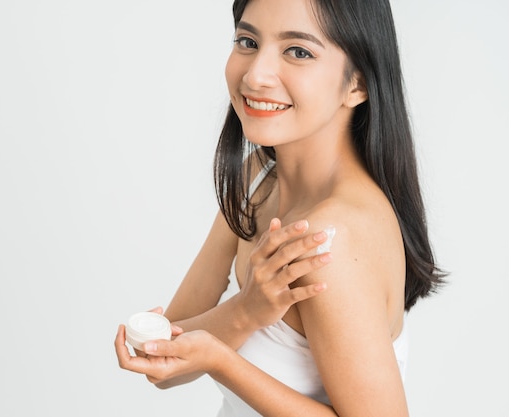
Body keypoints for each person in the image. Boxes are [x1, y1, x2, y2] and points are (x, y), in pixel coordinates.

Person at [114, 0, 445, 415]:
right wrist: (244, 312)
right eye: (248, 41)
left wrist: (221, 359)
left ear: (358, 83)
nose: (255, 75)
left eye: (298, 51)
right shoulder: (258, 179)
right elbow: (167, 361)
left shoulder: (327, 242)